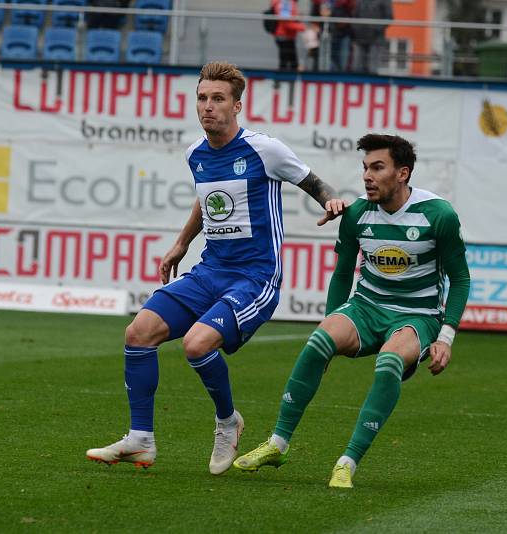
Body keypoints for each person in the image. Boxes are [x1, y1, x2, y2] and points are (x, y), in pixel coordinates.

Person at [86, 61, 346, 475]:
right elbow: (207, 200)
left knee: (196, 344)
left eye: (218, 99)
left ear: (237, 106)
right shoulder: (196, 154)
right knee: (139, 332)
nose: (208, 107)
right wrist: (180, 243)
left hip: (255, 277)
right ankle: (140, 439)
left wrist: (331, 201)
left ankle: (228, 421)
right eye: (203, 98)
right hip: (210, 270)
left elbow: (313, 182)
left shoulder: (265, 149)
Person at [233, 133, 471, 488]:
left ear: (403, 173)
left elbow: (461, 280)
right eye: (365, 168)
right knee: (317, 342)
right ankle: (277, 443)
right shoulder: (357, 213)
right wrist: (331, 320)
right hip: (366, 307)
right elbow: (344, 273)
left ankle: (347, 462)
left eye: (378, 167)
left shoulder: (439, 215)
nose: (367, 176)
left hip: (417, 316)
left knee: (389, 362)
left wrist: (446, 338)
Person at [351, 0, 392, 73]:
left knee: (372, 68)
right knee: (356, 67)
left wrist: (375, 28)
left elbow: (389, 17)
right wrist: (357, 28)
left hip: (376, 39)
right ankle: (358, 82)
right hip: (359, 37)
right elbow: (354, 15)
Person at [270, 0, 305, 72]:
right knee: (288, 63)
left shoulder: (288, 2)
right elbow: (285, 22)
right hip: (284, 36)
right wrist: (301, 27)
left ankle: (284, 80)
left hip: (287, 36)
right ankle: (282, 81)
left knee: (288, 62)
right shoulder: (285, 3)